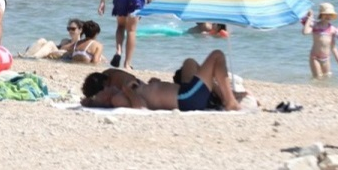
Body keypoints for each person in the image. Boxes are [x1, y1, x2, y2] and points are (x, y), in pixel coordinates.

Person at [80, 50, 241, 112]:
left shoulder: (117, 95)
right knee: (217, 56)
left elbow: (142, 100)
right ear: (101, 94)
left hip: (185, 97)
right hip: (185, 98)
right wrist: (128, 90)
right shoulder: (117, 98)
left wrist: (151, 84)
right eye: (105, 87)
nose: (109, 86)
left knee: (194, 63)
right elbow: (140, 107)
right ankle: (229, 101)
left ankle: (227, 98)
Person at [302, 3, 338, 78]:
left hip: (326, 58)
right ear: (321, 15)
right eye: (326, 14)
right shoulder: (315, 26)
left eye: (330, 15)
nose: (328, 16)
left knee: (327, 77)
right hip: (314, 57)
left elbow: (333, 47)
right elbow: (305, 32)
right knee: (318, 77)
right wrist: (310, 18)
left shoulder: (332, 29)